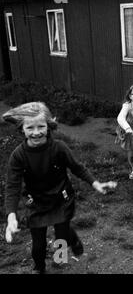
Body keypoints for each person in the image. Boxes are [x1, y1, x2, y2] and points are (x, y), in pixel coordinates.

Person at [2, 102, 117, 274]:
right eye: (30, 127)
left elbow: (77, 168)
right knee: (38, 245)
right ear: (22, 129)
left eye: (41, 126)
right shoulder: (18, 155)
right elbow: (12, 186)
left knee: (61, 239)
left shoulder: (59, 148)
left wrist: (96, 183)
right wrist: (11, 215)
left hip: (61, 199)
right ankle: (39, 268)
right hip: (36, 203)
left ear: (48, 126)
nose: (36, 132)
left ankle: (62, 256)